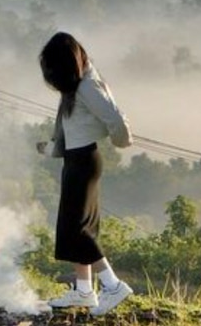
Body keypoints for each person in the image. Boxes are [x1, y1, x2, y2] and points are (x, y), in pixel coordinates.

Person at [36, 32, 134, 315]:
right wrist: (51, 149)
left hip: (84, 161)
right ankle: (84, 291)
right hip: (76, 159)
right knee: (74, 228)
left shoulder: (88, 86)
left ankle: (113, 285)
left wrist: (122, 141)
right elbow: (73, 127)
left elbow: (114, 118)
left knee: (78, 229)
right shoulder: (78, 84)